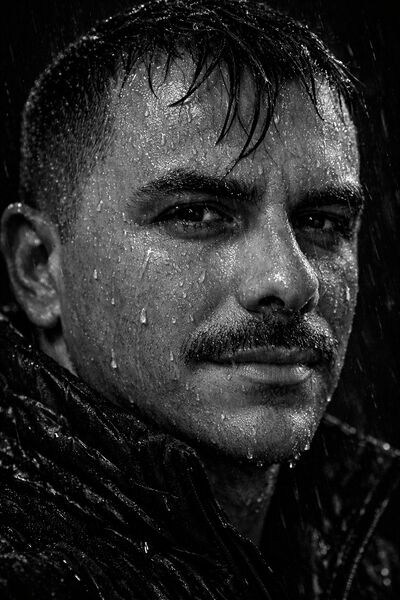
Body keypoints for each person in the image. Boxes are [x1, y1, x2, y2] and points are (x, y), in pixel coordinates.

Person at [0, 0, 399, 597]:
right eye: (197, 214)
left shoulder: (372, 544)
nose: (290, 282)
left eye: (322, 221)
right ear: (38, 267)